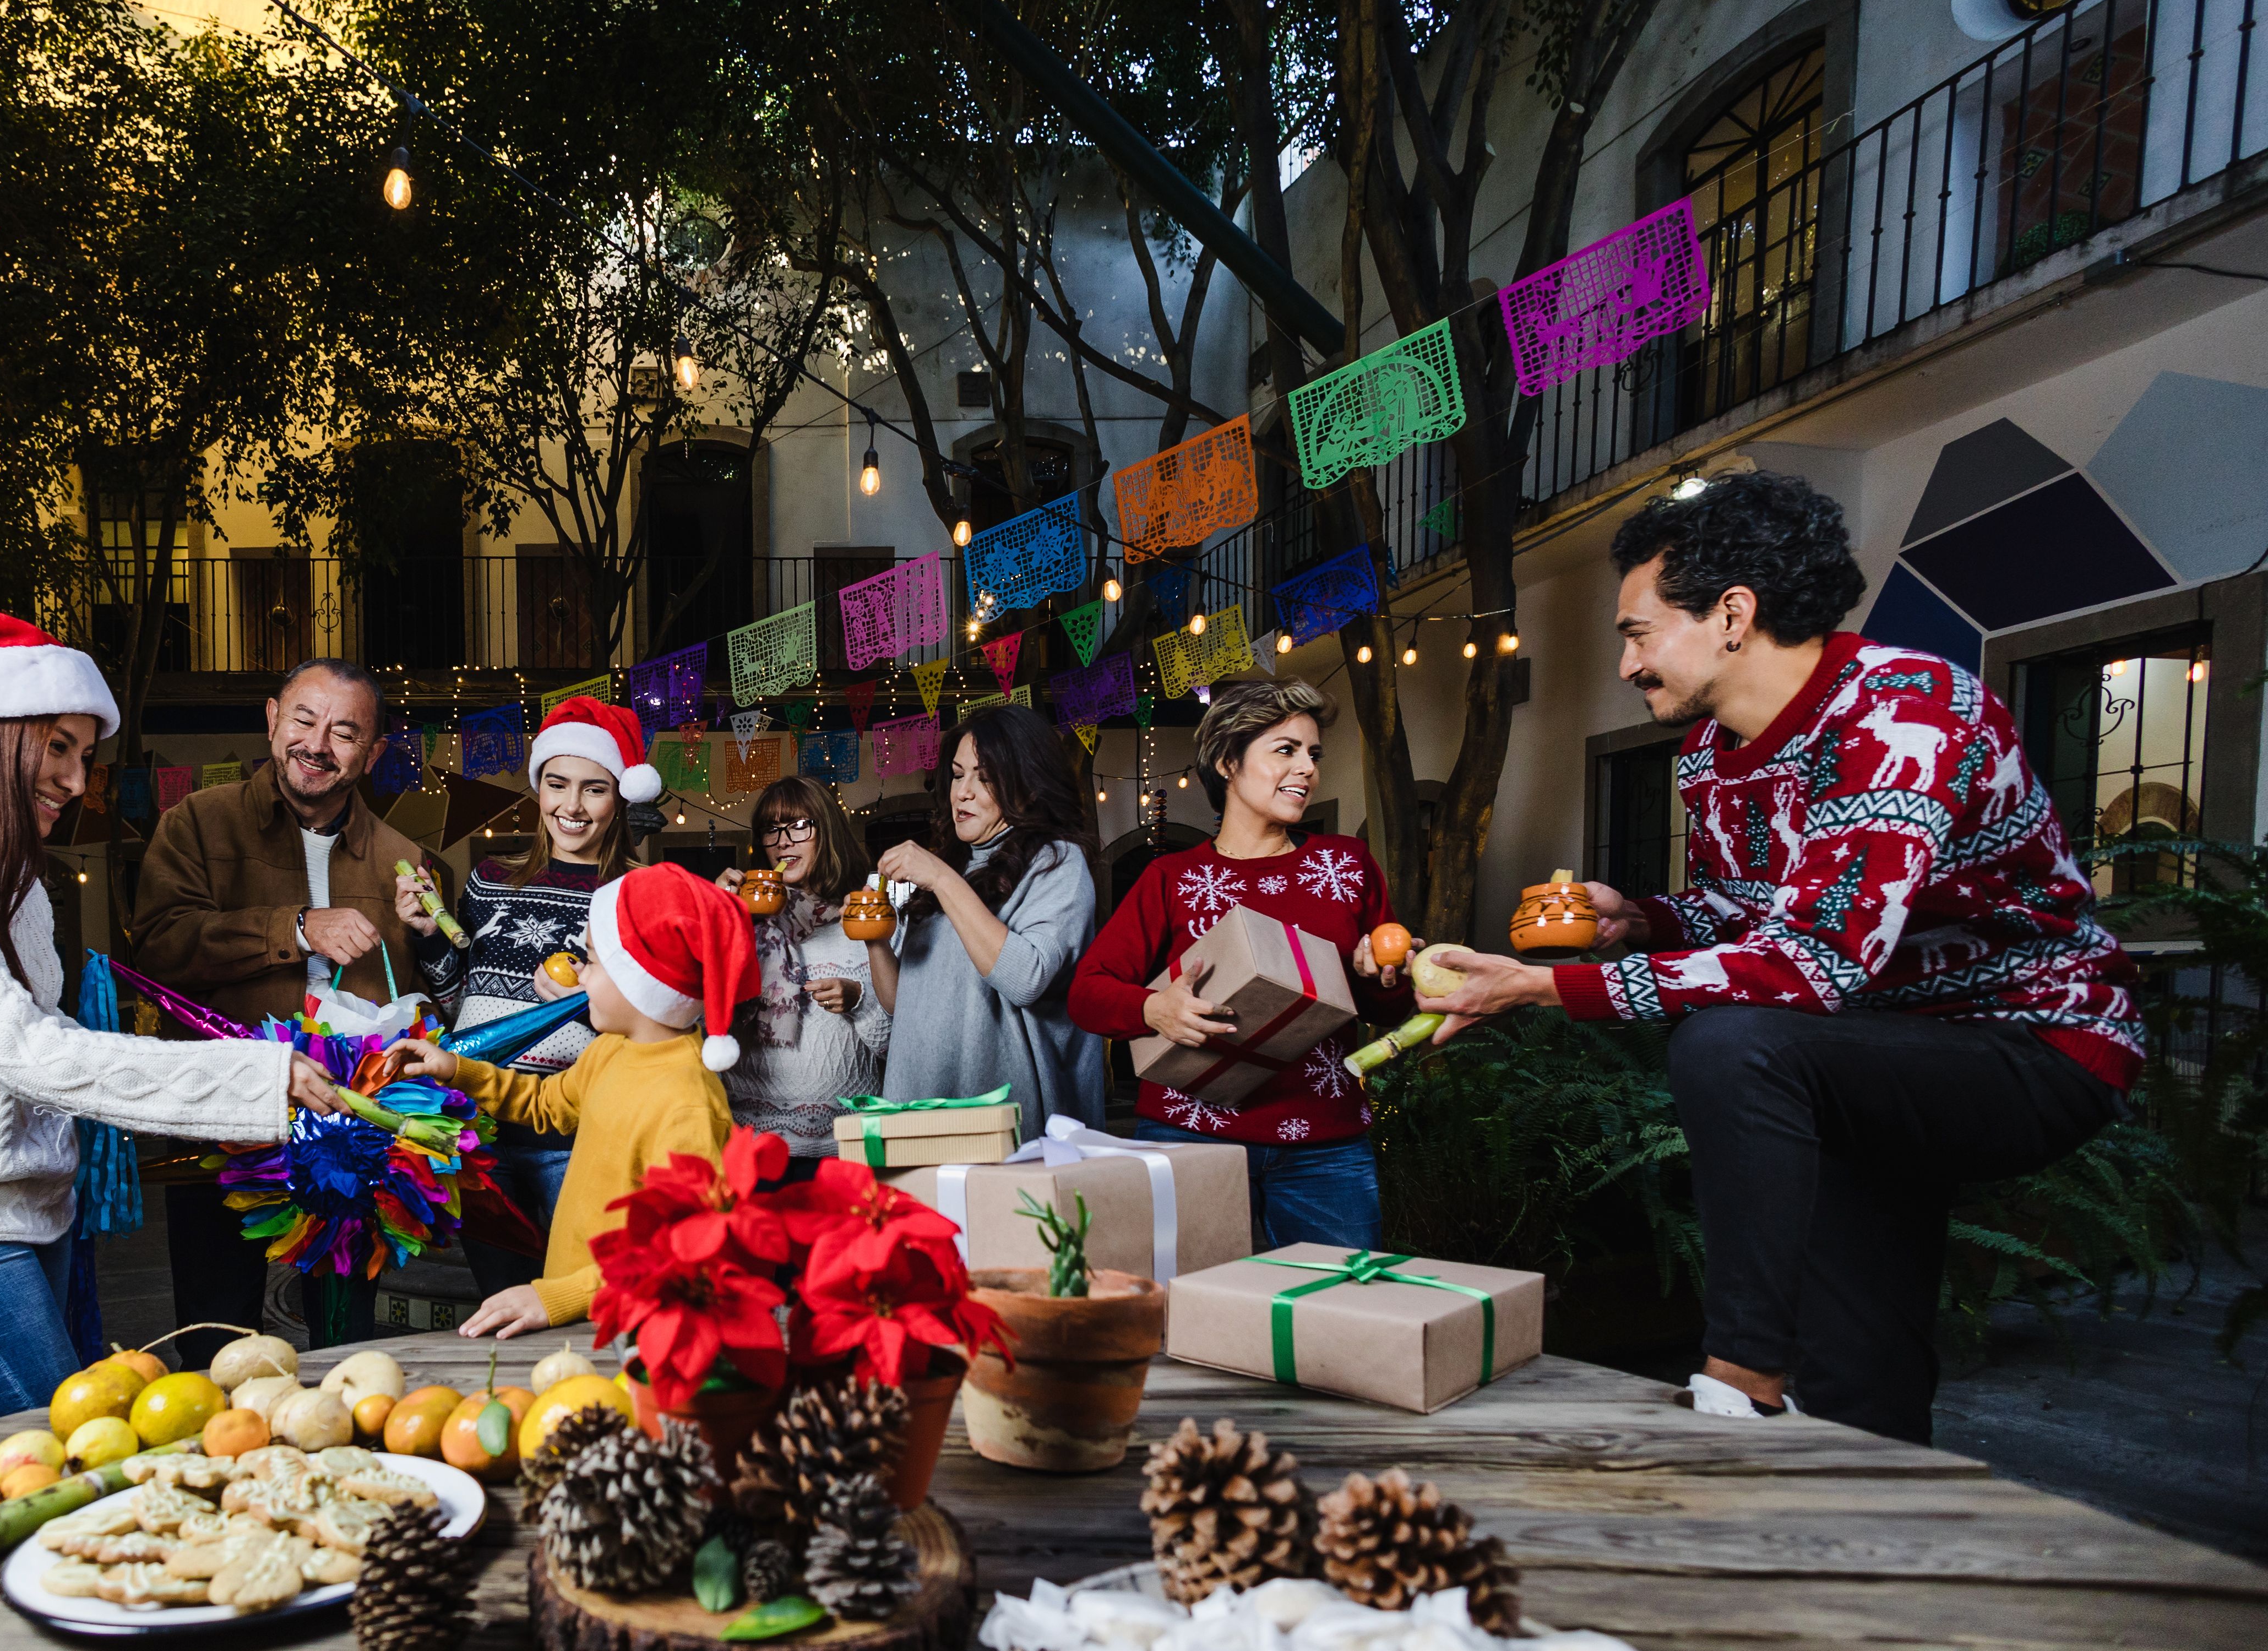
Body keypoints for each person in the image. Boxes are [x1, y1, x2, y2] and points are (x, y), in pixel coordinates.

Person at [1418, 470, 2136, 1442]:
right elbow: (1745, 910)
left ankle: (1741, 1369)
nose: (1625, 664)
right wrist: (1645, 922)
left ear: (1731, 614)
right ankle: (1856, 1535)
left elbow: (1810, 962)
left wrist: (1553, 986)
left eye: (1635, 631)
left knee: (1731, 1044)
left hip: (2034, 1044)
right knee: (1864, 1378)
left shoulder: (1902, 713)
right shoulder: (1709, 756)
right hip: (1862, 1056)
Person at [0, 601, 344, 1424]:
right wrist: (260, 1074)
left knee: (9, 1463)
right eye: (58, 747)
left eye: (84, 753)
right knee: (68, 1452)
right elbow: (28, 1051)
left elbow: (49, 1041)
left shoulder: (6, 873)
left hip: (31, 1208)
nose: (79, 781)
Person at [126, 656, 444, 1356]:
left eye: (345, 732)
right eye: (303, 719)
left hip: (352, 1138)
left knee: (345, 1338)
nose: (317, 744)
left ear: (373, 753)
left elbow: (424, 997)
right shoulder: (198, 825)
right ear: (272, 721)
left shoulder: (402, 857)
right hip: (223, 1115)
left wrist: (431, 934)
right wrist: (297, 928)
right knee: (216, 1331)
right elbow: (160, 948)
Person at [1066, 678, 1411, 1250]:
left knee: (1338, 1320)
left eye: (1313, 754)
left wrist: (1385, 978)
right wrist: (1155, 1009)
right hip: (1189, 1135)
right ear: (1227, 761)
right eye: (1286, 750)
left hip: (1325, 1144)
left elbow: (1387, 1007)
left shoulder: (1347, 865)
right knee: (1193, 1323)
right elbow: (1087, 992)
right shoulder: (1169, 879)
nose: (1307, 768)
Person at [390, 863, 757, 1337]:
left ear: (641, 978)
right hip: (575, 1308)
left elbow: (683, 1251)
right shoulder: (612, 1050)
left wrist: (561, 1296)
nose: (579, 976)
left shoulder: (688, 1104)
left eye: (594, 961)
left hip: (627, 1325)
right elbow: (546, 1103)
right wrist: (458, 1070)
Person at [414, 695, 649, 1294]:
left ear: (620, 796)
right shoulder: (490, 879)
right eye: (557, 784)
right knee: (502, 1298)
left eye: (594, 789)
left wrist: (580, 1007)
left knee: (585, 1294)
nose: (572, 807)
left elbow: (657, 1031)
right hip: (477, 1129)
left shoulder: (637, 896)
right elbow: (453, 999)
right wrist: (426, 937)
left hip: (574, 1130)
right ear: (538, 787)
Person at [865, 703, 1106, 1144]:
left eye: (985, 777)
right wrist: (876, 941)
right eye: (958, 775)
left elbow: (1026, 979)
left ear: (1029, 785)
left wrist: (940, 878)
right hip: (919, 1111)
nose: (963, 792)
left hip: (1001, 1127)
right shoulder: (952, 867)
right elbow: (907, 1006)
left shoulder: (1057, 862)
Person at [714, 775, 892, 1161]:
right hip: (750, 1148)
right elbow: (696, 1024)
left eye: (799, 826)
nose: (783, 841)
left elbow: (896, 1045)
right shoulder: (739, 923)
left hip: (849, 1146)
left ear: (825, 832)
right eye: (771, 829)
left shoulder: (864, 917)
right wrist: (717, 920)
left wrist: (858, 999)